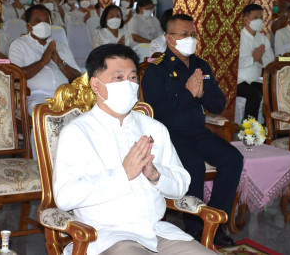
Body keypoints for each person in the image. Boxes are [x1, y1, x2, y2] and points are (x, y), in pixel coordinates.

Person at [54, 43, 216, 255]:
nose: (128, 84)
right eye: (118, 78)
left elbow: (181, 184)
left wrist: (156, 174)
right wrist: (122, 174)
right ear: (95, 85)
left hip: (157, 233)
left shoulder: (154, 128)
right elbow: (65, 197)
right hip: (106, 236)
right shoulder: (76, 132)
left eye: (132, 78)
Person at [142, 14, 244, 246]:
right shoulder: (156, 69)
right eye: (184, 35)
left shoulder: (201, 65)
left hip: (197, 131)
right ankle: (196, 229)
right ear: (170, 39)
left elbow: (218, 104)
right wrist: (188, 94)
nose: (191, 39)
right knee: (193, 166)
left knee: (233, 158)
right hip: (169, 135)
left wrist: (201, 94)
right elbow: (156, 112)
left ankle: (216, 224)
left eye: (194, 34)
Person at [8, 5, 81, 115]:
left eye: (47, 21)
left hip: (65, 95)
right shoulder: (19, 45)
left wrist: (60, 63)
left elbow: (77, 77)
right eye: (38, 21)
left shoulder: (61, 46)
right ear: (28, 26)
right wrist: (43, 62)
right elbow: (16, 75)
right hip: (37, 97)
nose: (44, 24)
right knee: (47, 115)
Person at [237, 4, 275, 120]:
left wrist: (259, 58)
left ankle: (267, 127)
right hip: (239, 80)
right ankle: (249, 132)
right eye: (256, 17)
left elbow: (270, 60)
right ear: (246, 19)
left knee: (272, 91)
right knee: (255, 95)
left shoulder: (262, 38)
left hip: (255, 79)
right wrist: (253, 58)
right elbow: (236, 63)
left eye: (261, 17)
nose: (259, 20)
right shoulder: (238, 37)